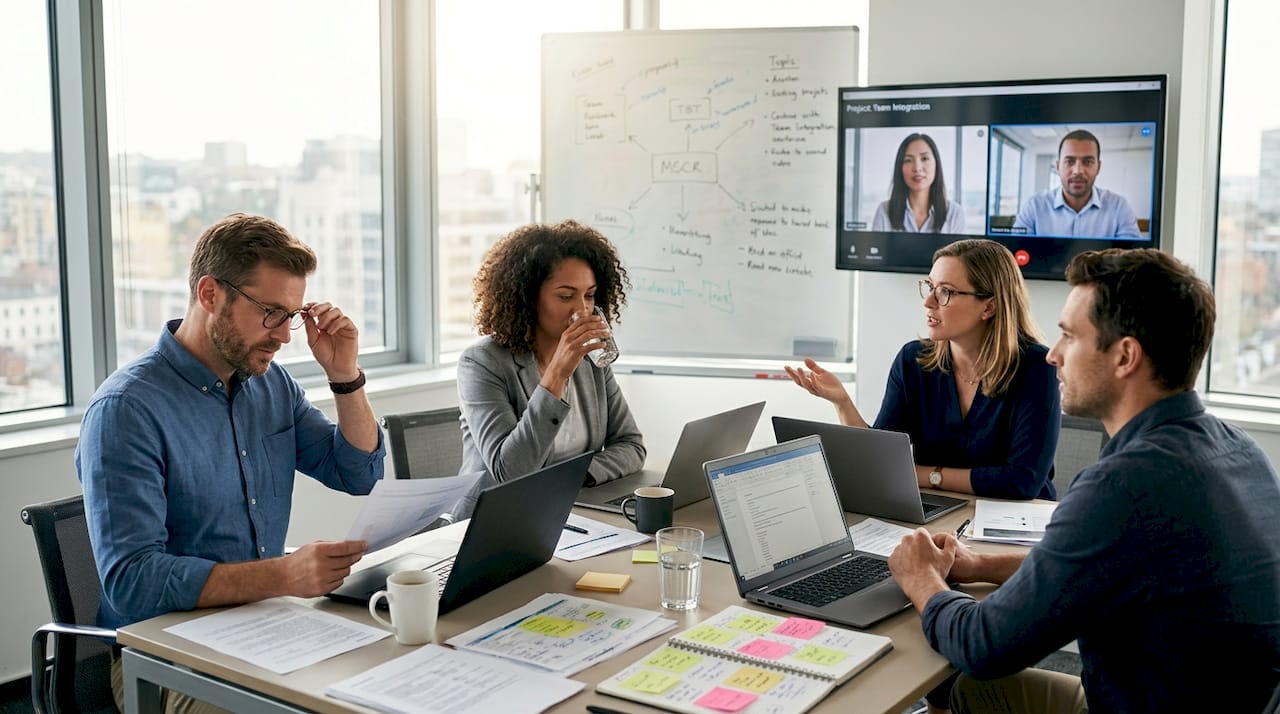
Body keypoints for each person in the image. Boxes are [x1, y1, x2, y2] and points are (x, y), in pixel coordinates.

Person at [888, 248, 1280, 713]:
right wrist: (979, 565)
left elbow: (982, 646)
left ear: (1125, 356)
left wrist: (921, 579)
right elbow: (1094, 570)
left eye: (1069, 337)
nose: (1053, 355)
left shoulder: (1124, 487)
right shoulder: (1238, 451)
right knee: (975, 696)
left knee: (971, 681)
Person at [76, 213, 385, 713]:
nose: (284, 336)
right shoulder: (126, 411)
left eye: (291, 315)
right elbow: (132, 582)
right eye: (270, 312)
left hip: (268, 624)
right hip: (164, 655)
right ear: (210, 294)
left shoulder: (271, 384)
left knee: (384, 686)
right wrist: (283, 576)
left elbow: (358, 474)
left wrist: (345, 376)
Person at [786, 239, 1060, 500]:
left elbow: (1022, 481)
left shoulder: (1037, 367)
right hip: (941, 510)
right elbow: (883, 460)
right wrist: (842, 402)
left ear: (989, 306)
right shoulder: (913, 360)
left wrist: (923, 476)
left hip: (1017, 525)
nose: (928, 302)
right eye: (929, 286)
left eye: (946, 291)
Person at [453, 219, 645, 520]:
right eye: (566, 296)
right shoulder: (482, 363)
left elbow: (631, 445)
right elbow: (510, 473)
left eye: (590, 295)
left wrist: (574, 479)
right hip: (494, 523)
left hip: (569, 513)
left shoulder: (592, 360)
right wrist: (556, 375)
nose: (581, 310)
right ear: (528, 298)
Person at [1012, 128, 1141, 238]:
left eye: (1088, 162)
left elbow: (1131, 261)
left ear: (1098, 167)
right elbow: (1014, 255)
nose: (1078, 171)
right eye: (1069, 161)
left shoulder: (1119, 207)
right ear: (1058, 167)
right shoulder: (1034, 206)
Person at [871, 133, 966, 233]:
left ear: (936, 164)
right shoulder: (884, 211)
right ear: (900, 168)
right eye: (908, 160)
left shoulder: (955, 213)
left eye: (924, 158)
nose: (917, 168)